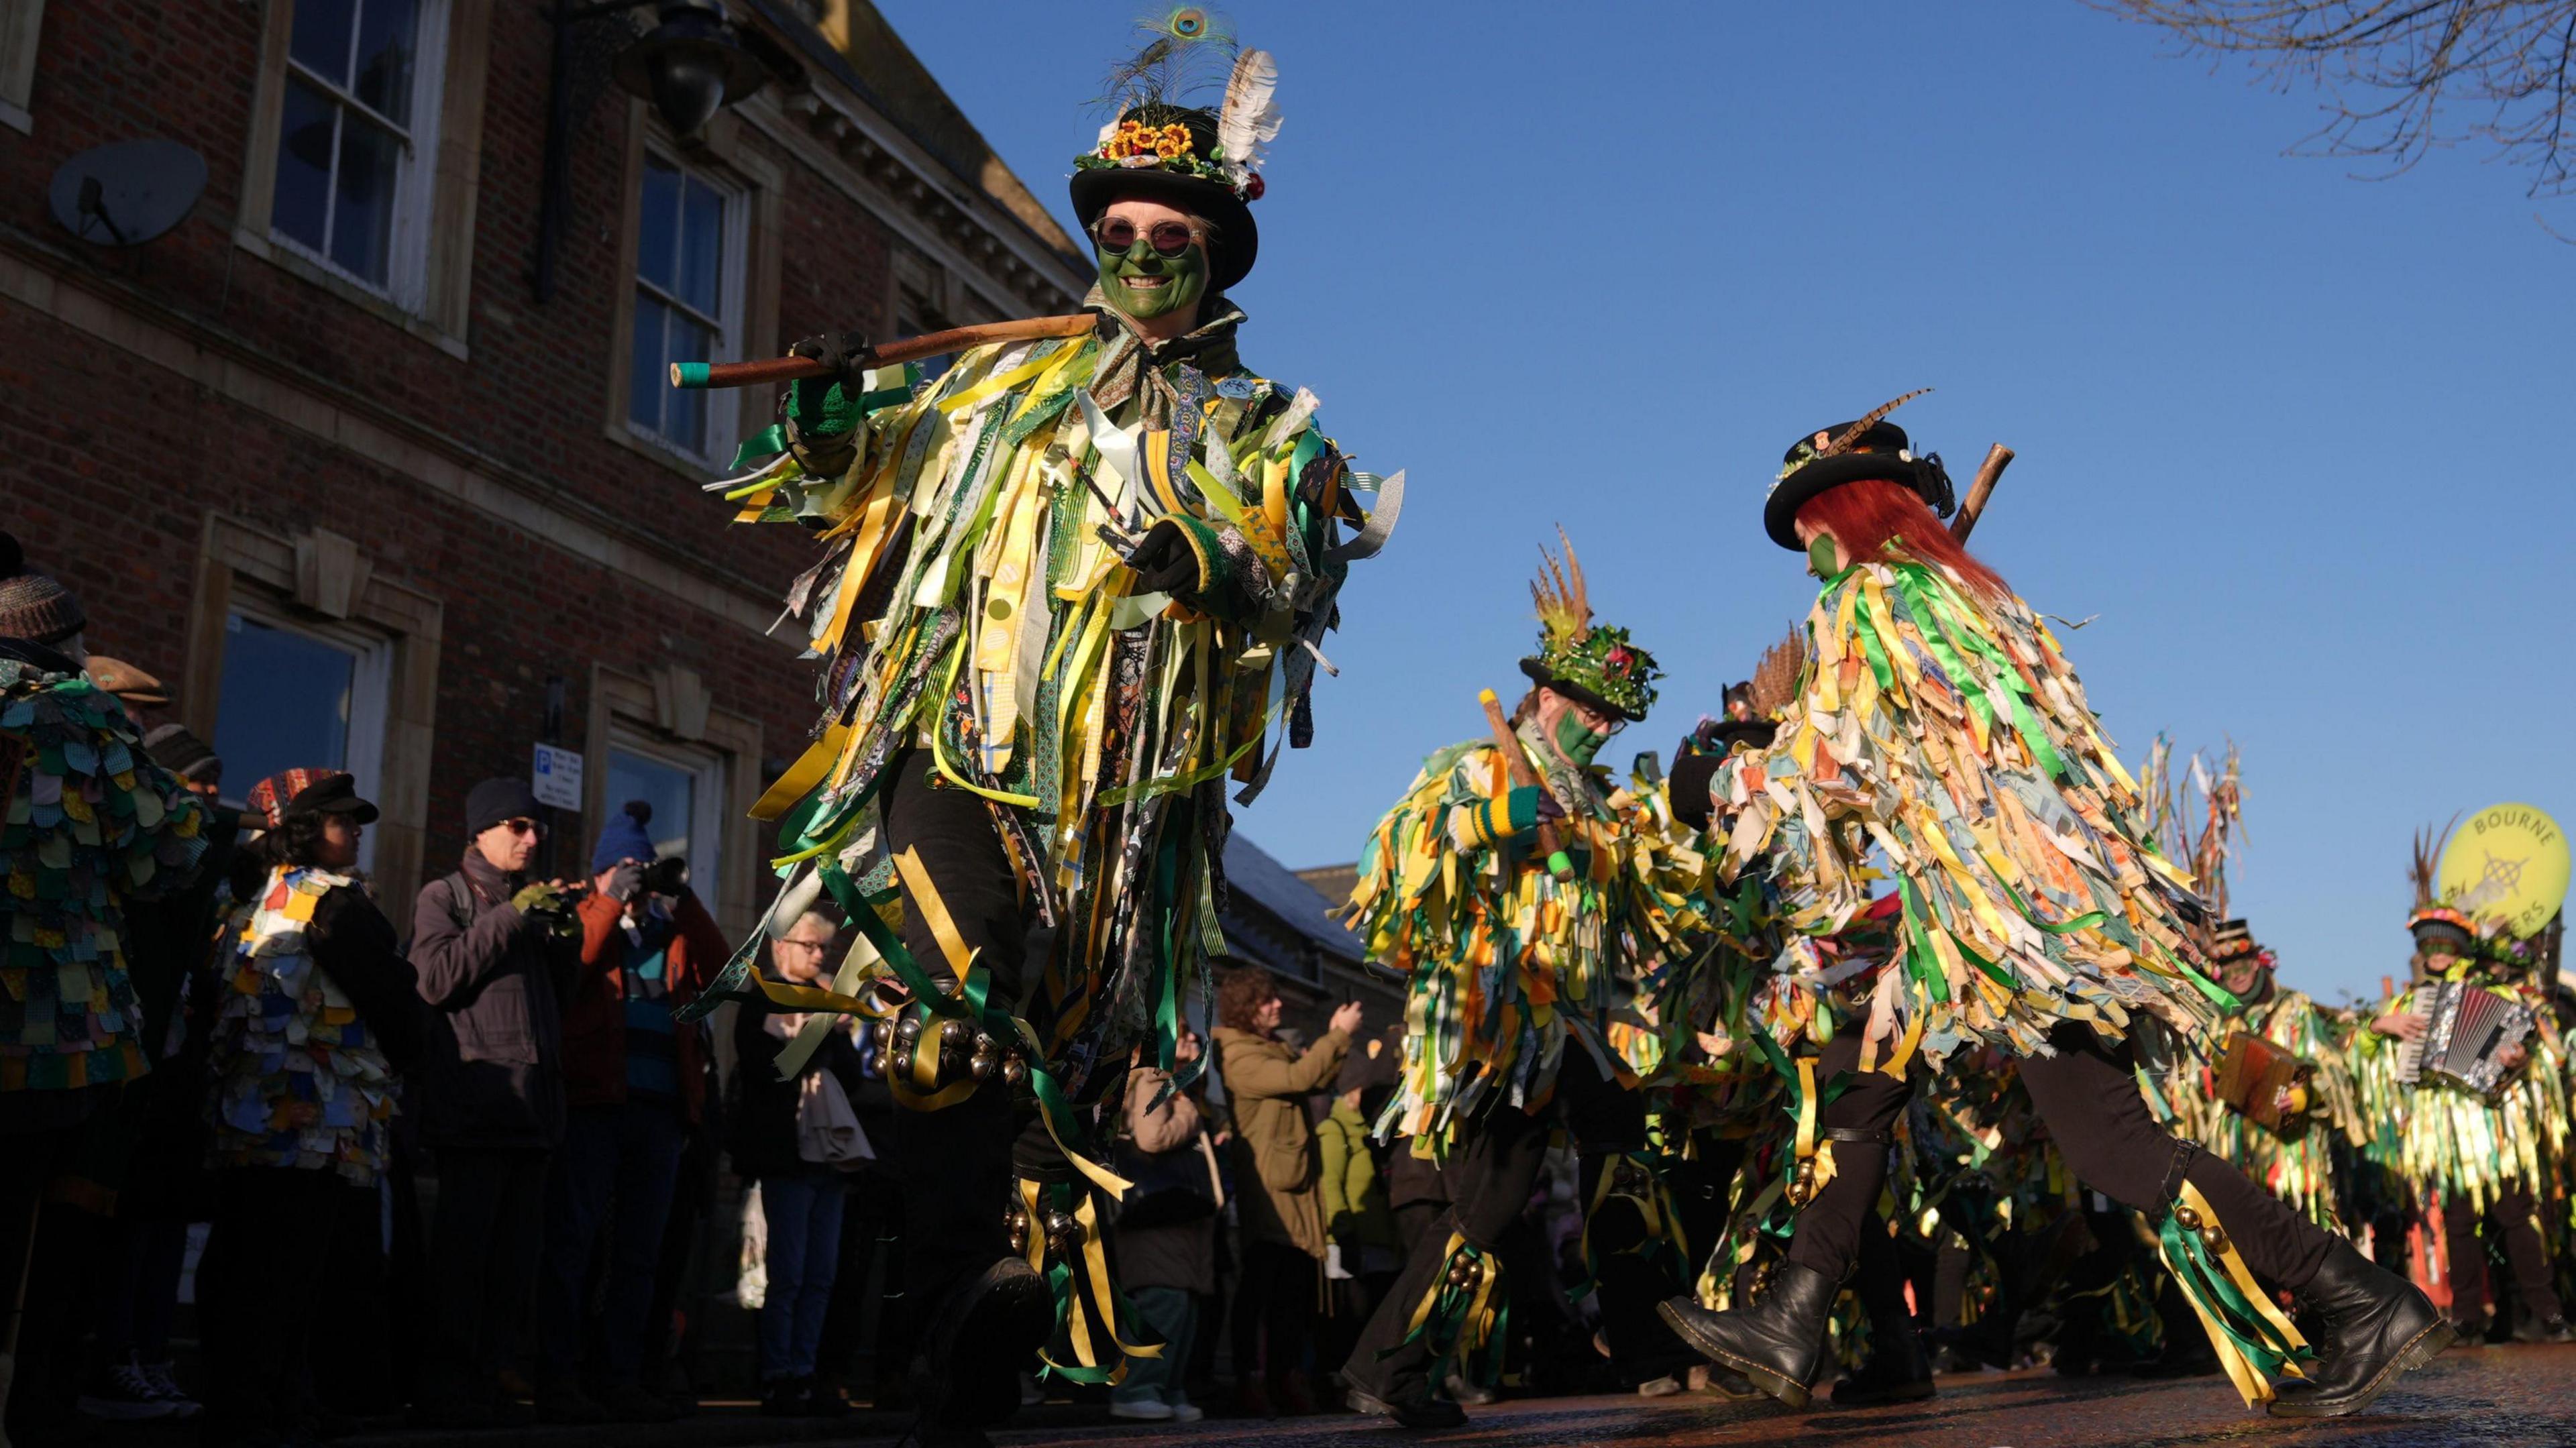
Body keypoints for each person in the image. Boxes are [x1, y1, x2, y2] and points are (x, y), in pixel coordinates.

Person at [672, 18, 1392, 1447]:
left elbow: (1308, 581)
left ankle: (990, 1328)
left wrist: (1212, 564)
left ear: (1214, 249)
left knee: (1046, 1063)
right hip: (964, 755)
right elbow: (851, 486)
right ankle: (961, 1294)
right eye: (1117, 226)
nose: (1137, 249)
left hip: (1123, 817)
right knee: (945, 1007)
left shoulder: (1271, 429)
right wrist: (826, 413)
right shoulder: (1002, 386)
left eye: (1168, 229)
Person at [1656, 396, 2445, 1419]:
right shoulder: (1970, 596)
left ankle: (2365, 1295)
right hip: (2009, 913)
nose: (1804, 549)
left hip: (2018, 932)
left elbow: (1829, 771)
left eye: (1809, 527)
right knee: (1865, 1076)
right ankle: (1794, 1319)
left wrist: (1720, 784)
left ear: (1844, 514)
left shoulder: (1868, 604)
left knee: (2111, 1145)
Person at [1339, 535, 1714, 1427]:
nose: (1605, 726)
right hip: (1504, 1020)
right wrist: (1497, 817)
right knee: (1490, 1201)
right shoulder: (1478, 764)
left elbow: (1640, 901)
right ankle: (1388, 1365)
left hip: (1584, 1023)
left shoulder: (1596, 798)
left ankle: (1652, 1349)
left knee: (1624, 1159)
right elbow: (1391, 852)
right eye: (1592, 707)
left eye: (1617, 716)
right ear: (1546, 694)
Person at [0, 533, 209, 1437]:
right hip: (43, 1032)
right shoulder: (81, 713)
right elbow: (169, 858)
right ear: (67, 641)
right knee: (25, 1252)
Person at [195, 769, 420, 1447]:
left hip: (246, 1113)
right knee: (293, 1269)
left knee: (242, 1258)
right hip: (315, 1119)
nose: (355, 829)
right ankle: (273, 1407)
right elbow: (392, 991)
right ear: (301, 828)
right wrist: (421, 1052)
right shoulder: (334, 902)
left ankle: (249, 1400)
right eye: (341, 818)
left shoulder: (242, 903)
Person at [533, 802, 728, 1423]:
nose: (637, 880)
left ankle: (623, 1374)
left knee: (641, 1253)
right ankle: (559, 1374)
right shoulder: (581, 917)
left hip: (661, 1115)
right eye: (625, 868)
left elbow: (724, 969)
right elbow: (576, 964)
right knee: (574, 1240)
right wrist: (609, 898)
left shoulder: (670, 933)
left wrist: (685, 897)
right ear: (600, 874)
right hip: (594, 1106)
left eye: (643, 871)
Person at [409, 777, 582, 1427]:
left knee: (513, 1266)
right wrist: (511, 918)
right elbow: (433, 979)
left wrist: (565, 940)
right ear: (480, 830)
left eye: (536, 827)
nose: (532, 838)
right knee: (464, 1259)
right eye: (517, 825)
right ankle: (444, 1386)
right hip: (479, 1105)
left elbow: (554, 1004)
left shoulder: (526, 905)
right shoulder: (445, 894)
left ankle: (489, 1378)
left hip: (533, 1112)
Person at [2358, 830, 2568, 1344]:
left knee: (2516, 1214)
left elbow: (2540, 1045)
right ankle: (2469, 1317)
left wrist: (2519, 1057)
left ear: (2458, 948)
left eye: (2442, 946)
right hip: (2441, 1125)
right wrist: (2378, 1028)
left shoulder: (2497, 993)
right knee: (2458, 1222)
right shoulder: (2409, 1004)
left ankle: (2547, 1311)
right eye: (2426, 946)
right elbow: (2363, 1050)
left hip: (2489, 1121)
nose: (2434, 954)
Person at [729, 911, 870, 1417]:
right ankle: (777, 1373)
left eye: (823, 949)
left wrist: (832, 1030)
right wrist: (823, 1028)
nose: (818, 956)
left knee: (821, 1274)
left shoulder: (831, 1004)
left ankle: (806, 1370)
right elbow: (770, 1068)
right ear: (781, 948)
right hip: (785, 1154)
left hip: (828, 1158)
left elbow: (851, 1075)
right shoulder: (762, 998)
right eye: (809, 945)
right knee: (787, 1273)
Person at [1214, 966, 1360, 1416]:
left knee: (1290, 1295)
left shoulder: (1267, 1048)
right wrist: (1336, 1035)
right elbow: (1298, 1078)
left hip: (1293, 1190)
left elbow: (1310, 1077)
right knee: (1263, 1289)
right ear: (1245, 1009)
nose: (1278, 1004)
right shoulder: (1240, 1055)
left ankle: (1283, 1377)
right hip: (1273, 1193)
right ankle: (1250, 1378)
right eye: (1266, 1000)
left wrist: (1337, 1042)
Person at [1108, 1031, 1220, 1424]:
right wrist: (1190, 1114)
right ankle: (1137, 1389)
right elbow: (1152, 1136)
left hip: (1175, 1220)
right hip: (1156, 1219)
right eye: (1184, 1032)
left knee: (1182, 1309)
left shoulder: (1176, 1084)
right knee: (1161, 1302)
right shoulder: (1154, 1078)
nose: (1194, 1037)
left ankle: (1169, 1389)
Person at [1315, 1038, 1401, 1389]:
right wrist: (1344, 1231)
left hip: (1381, 1243)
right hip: (1352, 1243)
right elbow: (1331, 1185)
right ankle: (1341, 1377)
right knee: (1352, 1317)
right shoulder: (1334, 1131)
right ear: (1352, 1092)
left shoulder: (1371, 1132)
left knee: (1378, 1314)